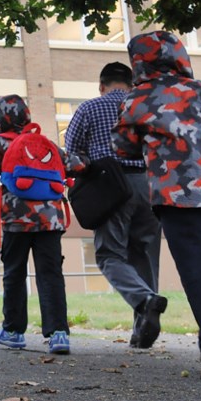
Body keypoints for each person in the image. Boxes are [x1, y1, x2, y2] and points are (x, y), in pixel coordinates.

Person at [112, 31, 201, 382]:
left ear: (138, 61)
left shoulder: (137, 97)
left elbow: (123, 147)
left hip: (178, 191)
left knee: (195, 268)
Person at [64, 62, 166, 349]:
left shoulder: (89, 108)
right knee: (145, 255)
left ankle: (145, 301)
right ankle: (141, 330)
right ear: (131, 85)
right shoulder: (147, 108)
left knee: (110, 255)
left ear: (101, 85)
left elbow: (72, 152)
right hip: (149, 186)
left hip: (112, 186)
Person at [0, 94, 72, 354]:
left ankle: (13, 330)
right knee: (51, 274)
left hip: (16, 219)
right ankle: (59, 334)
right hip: (50, 219)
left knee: (15, 273)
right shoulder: (44, 142)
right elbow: (71, 165)